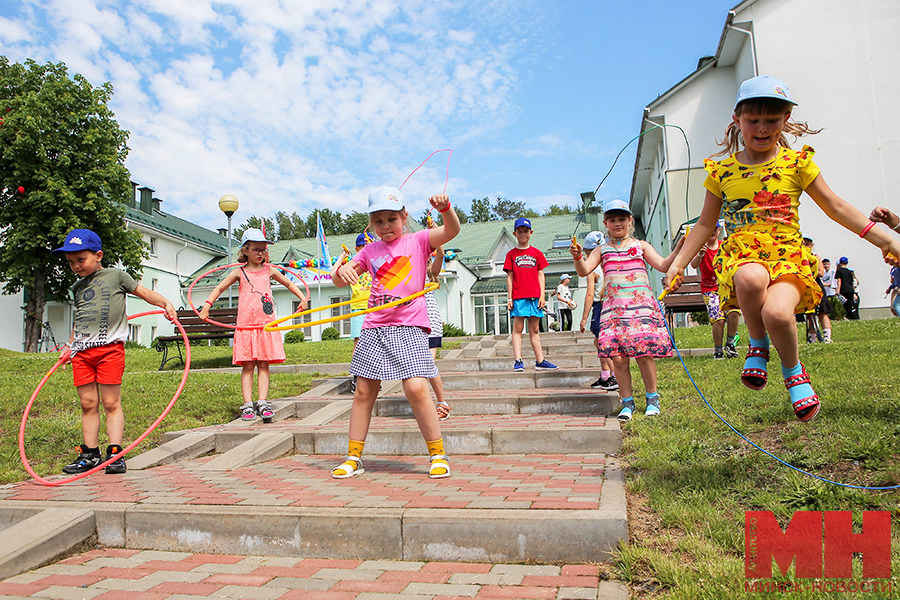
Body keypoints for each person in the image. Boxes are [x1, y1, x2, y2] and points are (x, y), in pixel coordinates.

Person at [665, 75, 900, 422]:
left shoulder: (797, 164)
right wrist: (678, 263)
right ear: (737, 119)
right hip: (745, 254)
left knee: (778, 313)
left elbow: (835, 207)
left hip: (788, 258)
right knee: (748, 278)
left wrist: (886, 237)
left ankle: (793, 372)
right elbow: (704, 224)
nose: (762, 128)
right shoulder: (723, 172)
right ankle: (757, 344)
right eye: (753, 120)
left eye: (771, 120)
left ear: (785, 120)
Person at [330, 188, 460, 479]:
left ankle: (438, 453)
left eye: (391, 219)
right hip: (376, 326)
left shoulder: (419, 240)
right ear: (371, 223)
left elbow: (452, 230)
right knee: (364, 390)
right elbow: (340, 282)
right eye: (378, 221)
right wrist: (343, 271)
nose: (386, 226)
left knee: (415, 387)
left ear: (404, 216)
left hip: (410, 324)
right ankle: (353, 456)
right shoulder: (370, 251)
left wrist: (446, 208)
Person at [54, 228, 177, 475]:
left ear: (98, 255)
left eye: (81, 260)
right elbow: (79, 321)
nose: (76, 266)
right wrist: (69, 346)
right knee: (88, 403)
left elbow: (143, 293)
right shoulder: (77, 288)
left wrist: (165, 303)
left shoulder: (116, 276)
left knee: (111, 402)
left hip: (109, 351)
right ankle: (89, 454)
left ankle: (115, 453)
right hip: (82, 353)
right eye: (70, 262)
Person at [570, 199, 683, 421]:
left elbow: (663, 265)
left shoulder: (641, 246)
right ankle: (627, 402)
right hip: (614, 312)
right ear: (606, 223)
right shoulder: (602, 250)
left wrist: (680, 249)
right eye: (612, 220)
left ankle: (652, 399)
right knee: (619, 359)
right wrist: (577, 256)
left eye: (622, 219)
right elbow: (584, 271)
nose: (617, 223)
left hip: (640, 309)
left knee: (644, 354)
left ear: (630, 221)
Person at [200, 228, 308, 422]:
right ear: (245, 250)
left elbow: (289, 284)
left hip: (265, 325)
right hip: (246, 326)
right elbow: (219, 287)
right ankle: (248, 404)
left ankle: (263, 402)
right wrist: (207, 306)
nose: (261, 253)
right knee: (248, 365)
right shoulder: (239, 272)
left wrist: (302, 298)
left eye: (263, 250)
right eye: (257, 249)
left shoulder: (270, 270)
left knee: (264, 364)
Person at [504, 217, 558, 372]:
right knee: (518, 329)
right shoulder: (511, 255)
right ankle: (518, 360)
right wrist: (509, 298)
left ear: (531, 232)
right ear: (515, 233)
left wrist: (542, 296)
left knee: (534, 330)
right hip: (518, 297)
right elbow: (509, 277)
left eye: (525, 231)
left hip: (535, 297)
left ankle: (540, 360)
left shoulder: (537, 253)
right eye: (519, 231)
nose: (523, 234)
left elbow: (541, 275)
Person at [689, 222, 740, 358]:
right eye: (709, 229)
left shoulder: (723, 246)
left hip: (725, 286)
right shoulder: (701, 247)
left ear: (718, 231)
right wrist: (700, 255)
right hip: (709, 289)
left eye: (714, 229)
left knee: (734, 311)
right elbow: (693, 265)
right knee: (718, 319)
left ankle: (730, 344)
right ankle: (718, 351)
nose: (712, 232)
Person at [333, 232, 375, 393]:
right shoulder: (353, 265)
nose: (366, 249)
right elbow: (335, 274)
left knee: (374, 344)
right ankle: (357, 376)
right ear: (357, 248)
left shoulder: (376, 262)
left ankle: (373, 376)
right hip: (358, 308)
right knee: (359, 344)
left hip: (375, 309)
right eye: (363, 246)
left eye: (369, 246)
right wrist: (341, 257)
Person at [579, 231, 617, 391]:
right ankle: (605, 375)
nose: (587, 256)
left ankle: (614, 377)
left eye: (588, 252)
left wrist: (583, 318)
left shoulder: (592, 268)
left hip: (599, 307)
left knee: (603, 344)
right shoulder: (609, 264)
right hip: (611, 306)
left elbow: (589, 294)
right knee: (599, 342)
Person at [424, 217, 450, 421]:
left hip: (430, 323)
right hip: (412, 323)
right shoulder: (405, 274)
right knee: (420, 366)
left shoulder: (430, 273)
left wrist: (435, 233)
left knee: (428, 364)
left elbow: (440, 253)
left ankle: (442, 402)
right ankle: (427, 405)